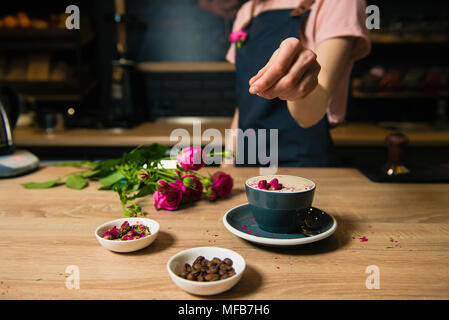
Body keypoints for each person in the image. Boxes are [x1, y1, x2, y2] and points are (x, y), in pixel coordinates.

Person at [204, 0, 371, 167]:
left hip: (303, 161)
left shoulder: (341, 3)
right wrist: (228, 162)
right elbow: (244, 104)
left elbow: (311, 113)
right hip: (247, 161)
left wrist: (300, 87)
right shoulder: (249, 10)